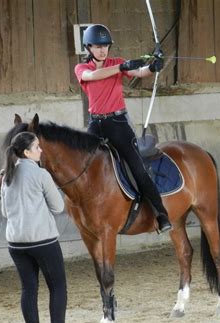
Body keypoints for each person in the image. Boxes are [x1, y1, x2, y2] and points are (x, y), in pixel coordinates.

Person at [74, 24, 172, 234]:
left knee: (138, 168)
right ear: (88, 48)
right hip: (95, 124)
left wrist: (154, 67)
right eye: (97, 46)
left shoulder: (117, 63)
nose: (102, 50)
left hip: (118, 124)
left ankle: (161, 214)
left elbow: (141, 71)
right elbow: (94, 77)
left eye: (105, 46)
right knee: (80, 163)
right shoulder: (83, 69)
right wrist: (122, 67)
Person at [0, 131, 67, 323]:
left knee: (28, 290)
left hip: (16, 243)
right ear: (27, 152)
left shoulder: (6, 175)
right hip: (42, 241)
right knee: (58, 287)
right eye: (37, 147)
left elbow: (4, 211)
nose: (41, 150)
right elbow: (58, 207)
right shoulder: (41, 174)